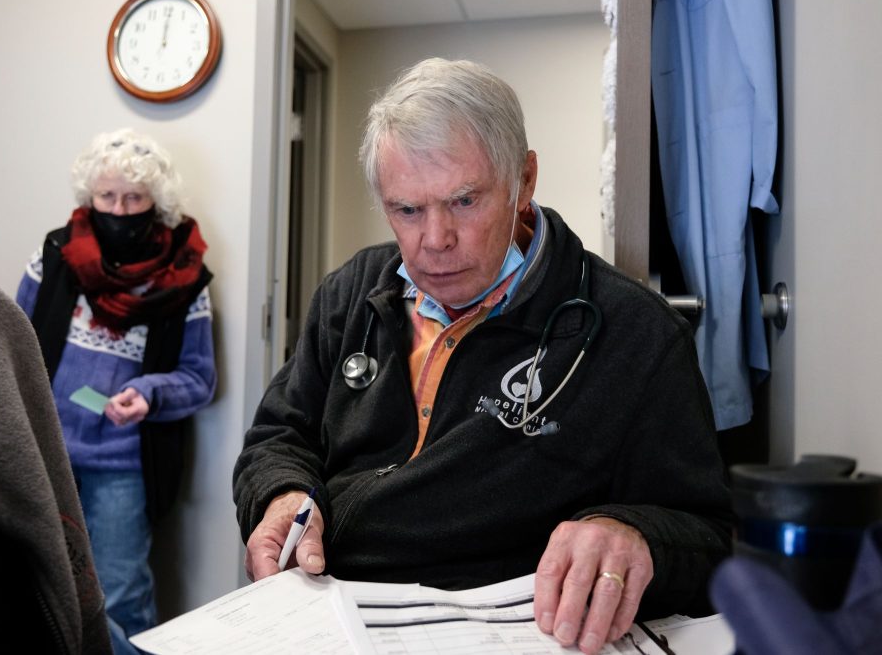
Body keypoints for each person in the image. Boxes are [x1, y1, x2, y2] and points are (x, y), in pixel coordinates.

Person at [233, 58, 732, 654]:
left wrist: (635, 533)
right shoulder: (351, 293)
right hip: (325, 617)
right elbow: (278, 435)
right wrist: (282, 495)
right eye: (407, 210)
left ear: (524, 181)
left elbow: (709, 539)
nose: (435, 239)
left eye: (465, 201)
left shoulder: (635, 335)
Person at [17, 129, 216, 654]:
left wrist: (149, 392)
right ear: (89, 198)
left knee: (122, 597)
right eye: (107, 197)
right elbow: (14, 345)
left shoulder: (185, 277)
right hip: (47, 455)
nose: (118, 209)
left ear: (156, 203)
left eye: (133, 199)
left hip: (124, 466)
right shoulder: (55, 256)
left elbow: (200, 378)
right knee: (37, 588)